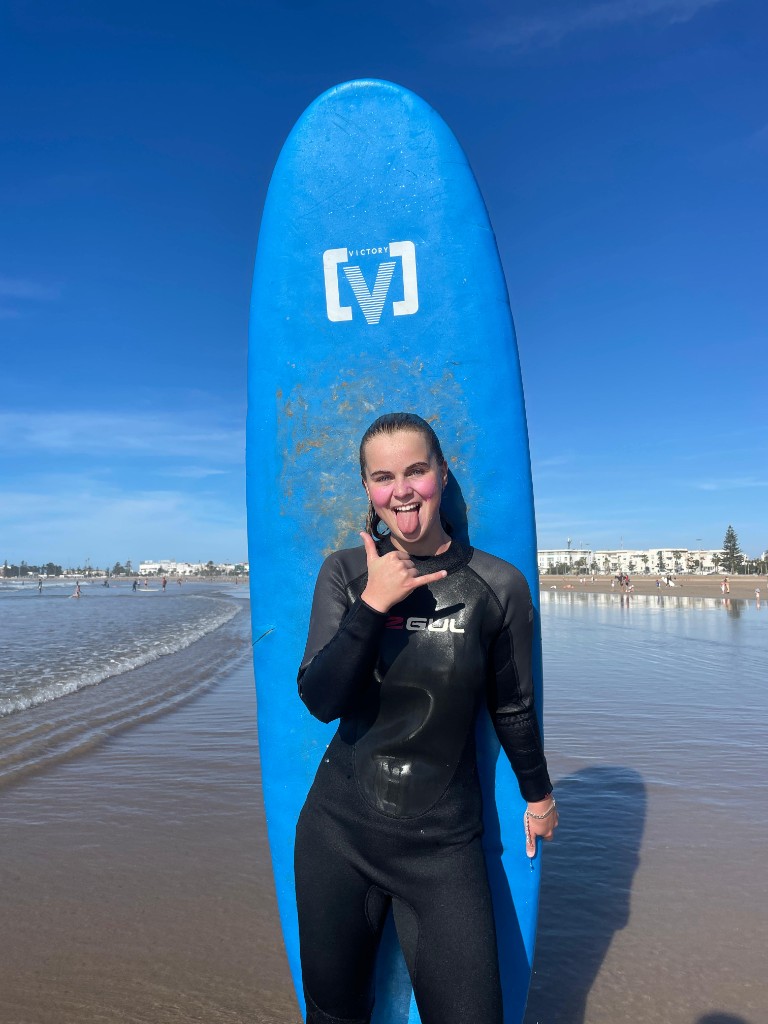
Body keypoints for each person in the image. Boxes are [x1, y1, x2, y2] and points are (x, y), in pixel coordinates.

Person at [295, 412, 557, 1024]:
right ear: (368, 490)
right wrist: (373, 604)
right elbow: (320, 698)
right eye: (383, 478)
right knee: (332, 1015)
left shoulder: (496, 585)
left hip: (442, 847)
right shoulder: (345, 573)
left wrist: (539, 796)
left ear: (442, 473)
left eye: (416, 470)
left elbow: (512, 702)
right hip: (339, 832)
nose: (403, 490)